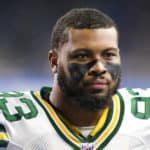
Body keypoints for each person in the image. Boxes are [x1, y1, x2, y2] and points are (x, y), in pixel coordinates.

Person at [0, 8, 150, 150]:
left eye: (109, 55)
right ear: (54, 61)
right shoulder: (9, 121)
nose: (99, 68)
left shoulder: (144, 115)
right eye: (82, 56)